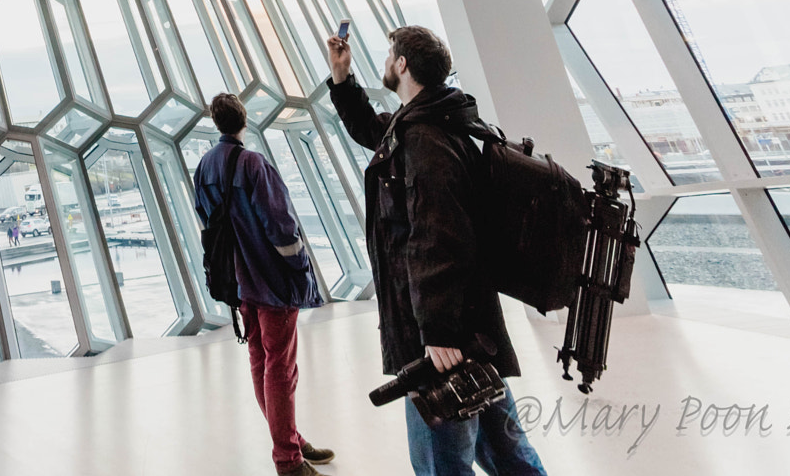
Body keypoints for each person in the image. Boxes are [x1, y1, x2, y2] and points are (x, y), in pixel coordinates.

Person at [326, 25, 548, 476]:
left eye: (390, 55)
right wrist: (342, 78)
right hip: (468, 327)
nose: (386, 62)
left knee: (442, 463)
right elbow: (373, 130)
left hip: (440, 339)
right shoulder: (434, 123)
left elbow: (438, 237)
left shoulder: (426, 140)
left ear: (403, 64)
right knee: (508, 454)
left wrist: (437, 331)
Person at [194, 92, 335, 476]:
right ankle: (288, 458)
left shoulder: (204, 167)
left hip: (238, 284)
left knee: (261, 362)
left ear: (215, 120)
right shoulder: (253, 164)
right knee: (281, 368)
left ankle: (290, 440)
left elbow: (207, 224)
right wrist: (300, 266)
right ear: (244, 120)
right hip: (270, 282)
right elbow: (281, 226)